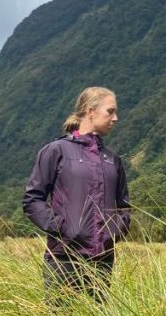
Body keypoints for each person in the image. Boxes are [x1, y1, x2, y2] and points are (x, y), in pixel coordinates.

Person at [23, 87, 131, 302]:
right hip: (63, 260)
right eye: (110, 111)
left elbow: (125, 207)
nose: (115, 118)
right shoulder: (56, 151)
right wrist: (61, 227)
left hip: (103, 262)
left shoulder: (113, 160)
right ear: (90, 111)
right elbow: (32, 199)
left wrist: (113, 233)